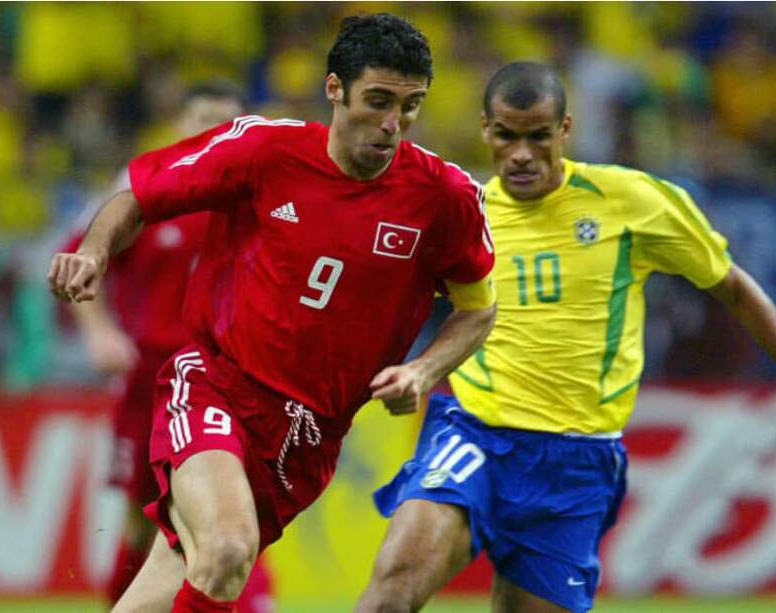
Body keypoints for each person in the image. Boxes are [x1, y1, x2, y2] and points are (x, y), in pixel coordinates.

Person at [357, 62, 776, 613]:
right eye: (507, 136)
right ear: (486, 130)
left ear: (564, 130)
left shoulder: (632, 201)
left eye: (538, 137)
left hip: (575, 461)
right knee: (391, 592)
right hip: (476, 434)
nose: (521, 154)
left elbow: (732, 287)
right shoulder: (463, 212)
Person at [47, 14, 496, 613]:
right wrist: (95, 252)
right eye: (378, 101)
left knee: (187, 572)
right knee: (229, 550)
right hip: (216, 383)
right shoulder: (266, 150)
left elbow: (477, 310)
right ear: (335, 89)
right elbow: (138, 197)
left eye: (410, 107)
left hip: (309, 436)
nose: (392, 125)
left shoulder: (443, 198)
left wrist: (424, 370)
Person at [62, 81, 277, 612]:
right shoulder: (148, 196)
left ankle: (255, 600)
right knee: (144, 522)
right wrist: (99, 331)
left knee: (227, 510)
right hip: (150, 383)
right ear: (179, 126)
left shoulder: (254, 202)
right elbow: (80, 263)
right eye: (203, 119)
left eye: (226, 123)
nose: (213, 133)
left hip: (224, 386)